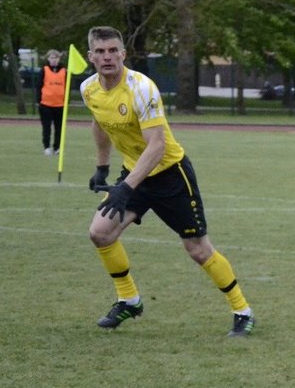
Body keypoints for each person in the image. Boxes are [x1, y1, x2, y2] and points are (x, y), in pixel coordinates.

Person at [80, 26, 255, 337]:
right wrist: (102, 167)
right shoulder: (89, 89)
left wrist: (125, 188)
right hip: (134, 174)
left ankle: (243, 311)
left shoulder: (141, 88)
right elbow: (100, 123)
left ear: (123, 54)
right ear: (90, 56)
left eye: (113, 50)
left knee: (198, 249)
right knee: (100, 233)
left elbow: (157, 146)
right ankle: (129, 300)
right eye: (100, 51)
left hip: (171, 175)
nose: (107, 57)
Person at [37, 49, 67, 156]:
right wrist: (39, 100)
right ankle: (46, 147)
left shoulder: (64, 71)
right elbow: (39, 86)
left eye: (56, 58)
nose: (54, 60)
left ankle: (57, 148)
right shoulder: (44, 70)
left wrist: (66, 100)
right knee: (46, 127)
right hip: (46, 104)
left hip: (60, 105)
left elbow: (67, 86)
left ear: (59, 59)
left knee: (59, 128)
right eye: (52, 58)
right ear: (48, 59)